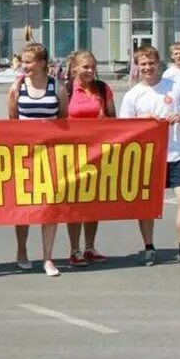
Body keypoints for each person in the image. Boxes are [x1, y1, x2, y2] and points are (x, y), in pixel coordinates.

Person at [118, 46, 180, 268]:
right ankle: (149, 247)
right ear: (137, 67)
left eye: (151, 63)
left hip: (175, 155)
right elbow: (123, 128)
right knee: (147, 206)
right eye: (143, 64)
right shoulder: (132, 95)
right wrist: (142, 120)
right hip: (148, 157)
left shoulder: (175, 87)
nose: (148, 68)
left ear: (159, 64)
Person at [5, 43, 63, 277]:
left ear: (41, 63)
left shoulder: (57, 87)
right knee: (24, 205)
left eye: (28, 61)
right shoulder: (17, 87)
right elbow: (12, 121)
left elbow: (64, 120)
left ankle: (48, 257)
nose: (24, 65)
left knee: (50, 206)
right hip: (25, 155)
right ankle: (22, 250)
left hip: (50, 155)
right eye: (23, 61)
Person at [57, 50, 116, 267]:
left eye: (92, 67)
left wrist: (104, 119)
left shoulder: (102, 88)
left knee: (92, 202)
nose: (90, 71)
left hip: (98, 152)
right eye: (85, 67)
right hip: (72, 153)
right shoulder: (65, 90)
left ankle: (90, 247)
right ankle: (75, 249)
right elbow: (59, 122)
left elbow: (114, 119)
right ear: (74, 69)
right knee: (75, 202)